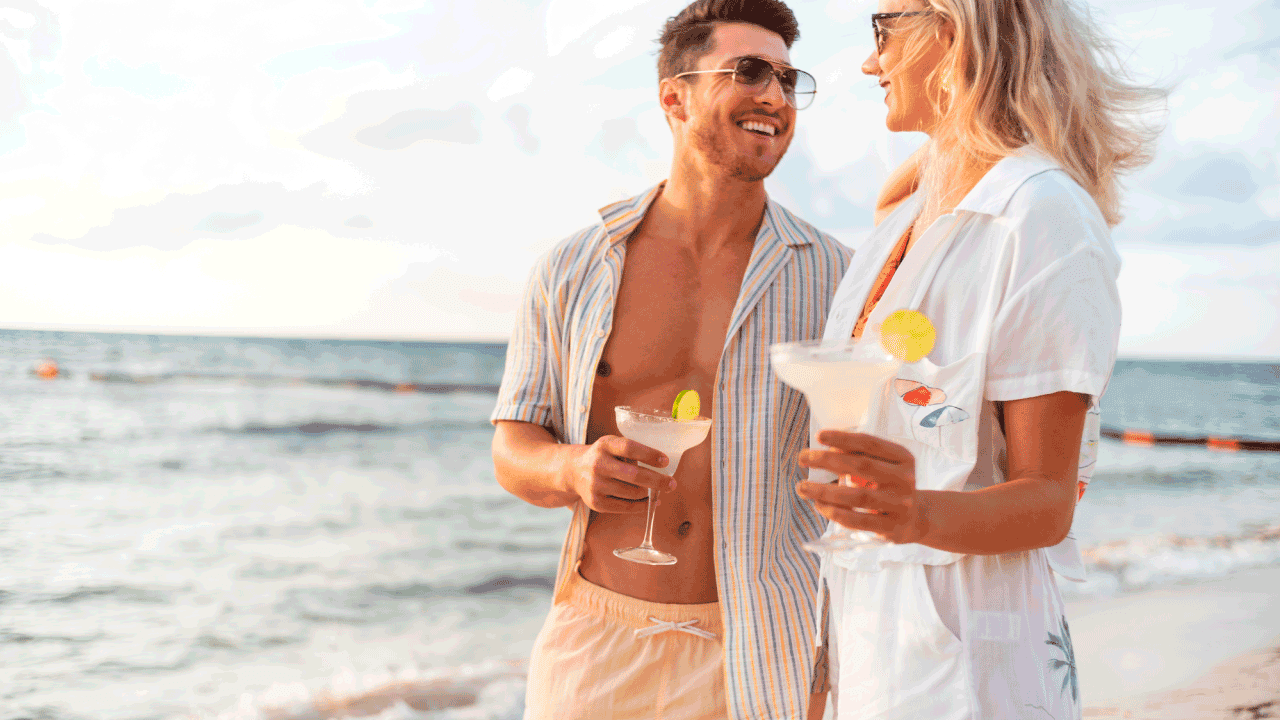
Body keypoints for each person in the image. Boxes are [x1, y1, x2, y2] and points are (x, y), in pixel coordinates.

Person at [793, 0, 1163, 718]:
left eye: (882, 29)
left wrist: (914, 513)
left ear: (951, 27)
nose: (871, 62)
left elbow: (1047, 501)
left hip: (972, 667)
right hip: (865, 645)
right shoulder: (902, 222)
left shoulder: (1041, 218)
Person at [490, 1, 856, 718]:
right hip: (599, 642)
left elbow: (851, 478)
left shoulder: (836, 278)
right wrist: (570, 467)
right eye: (749, 71)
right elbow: (512, 447)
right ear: (674, 96)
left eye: (788, 79)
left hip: (764, 644)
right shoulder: (572, 268)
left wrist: (827, 655)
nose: (775, 97)